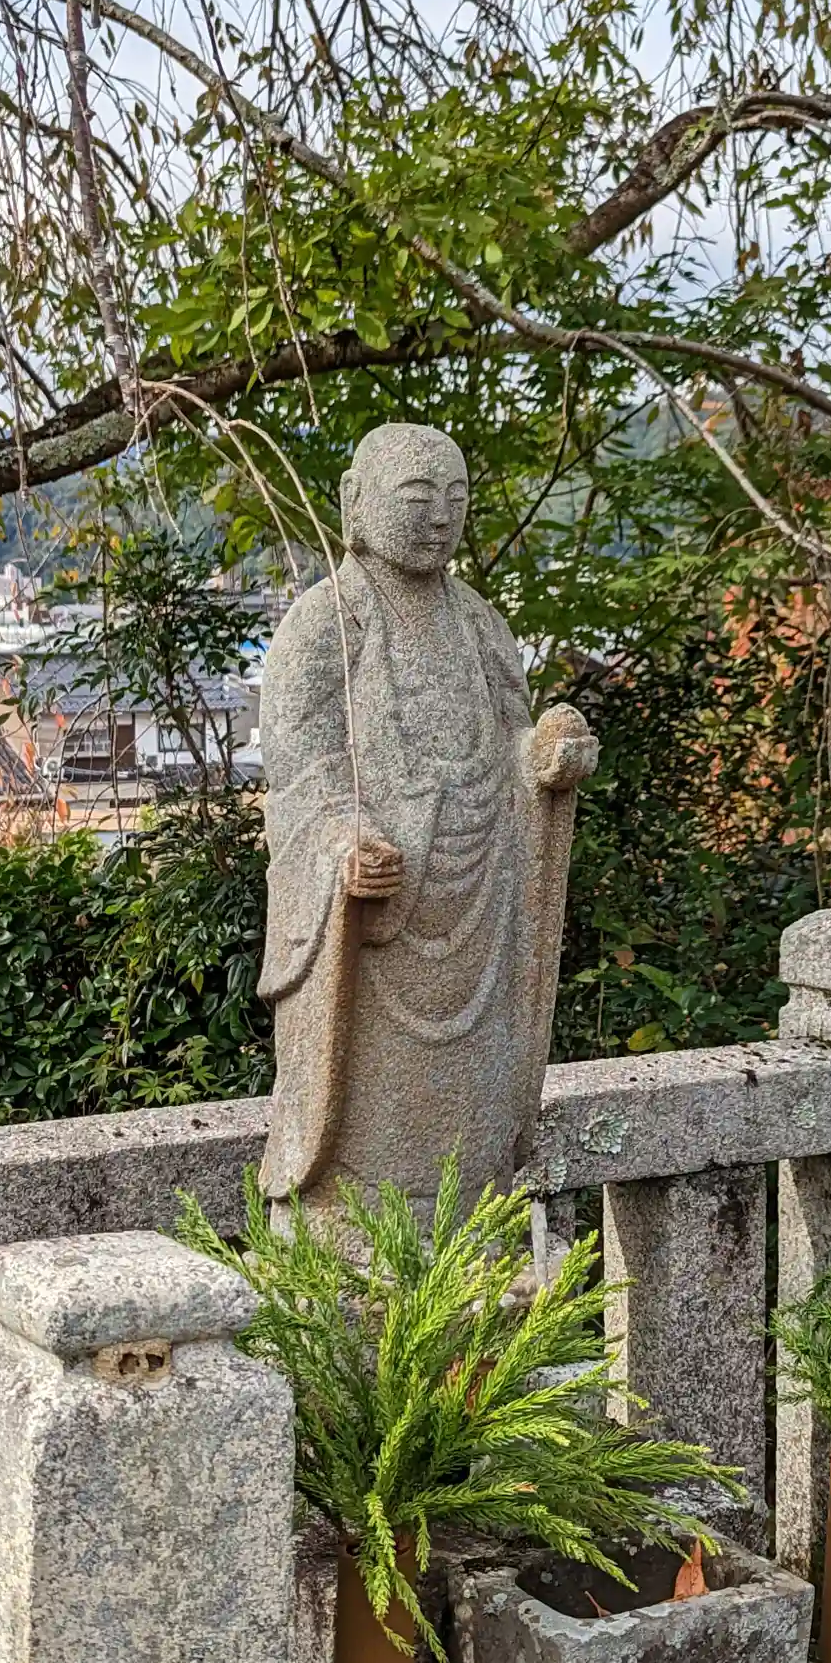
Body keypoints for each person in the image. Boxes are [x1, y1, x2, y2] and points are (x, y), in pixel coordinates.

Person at [258, 421, 597, 1216]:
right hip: (378, 920)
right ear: (355, 501)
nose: (441, 516)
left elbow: (504, 741)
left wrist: (542, 760)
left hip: (480, 911)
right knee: (370, 1116)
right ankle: (348, 1233)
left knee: (472, 1113)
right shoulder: (322, 624)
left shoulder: (479, 622)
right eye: (417, 497)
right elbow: (301, 771)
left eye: (456, 498)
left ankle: (476, 1227)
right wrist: (342, 843)